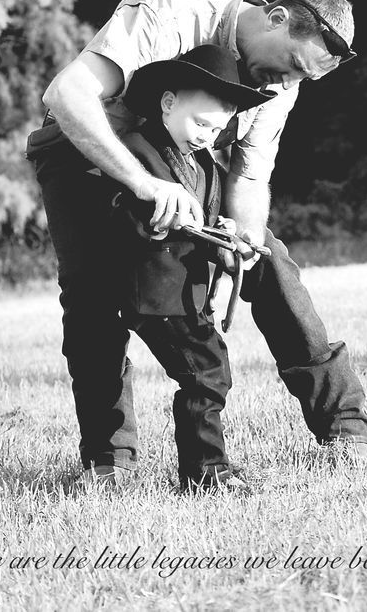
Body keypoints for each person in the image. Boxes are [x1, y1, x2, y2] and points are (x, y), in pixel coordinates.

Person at [29, 0, 367, 487]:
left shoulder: (282, 83)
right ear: (277, 17)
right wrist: (141, 183)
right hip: (85, 154)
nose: (287, 82)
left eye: (302, 77)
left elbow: (250, 176)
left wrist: (238, 248)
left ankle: (343, 424)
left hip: (187, 165)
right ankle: (109, 459)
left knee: (267, 261)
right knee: (93, 295)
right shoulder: (170, 14)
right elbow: (67, 94)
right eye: (292, 65)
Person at [108, 44, 273, 490]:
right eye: (200, 123)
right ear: (167, 103)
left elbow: (207, 231)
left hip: (189, 295)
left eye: (216, 129)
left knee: (208, 369)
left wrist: (225, 239)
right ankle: (206, 473)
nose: (205, 135)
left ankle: (205, 467)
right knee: (205, 371)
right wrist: (159, 221)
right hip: (154, 291)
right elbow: (126, 220)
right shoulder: (138, 152)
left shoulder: (206, 166)